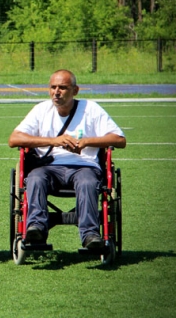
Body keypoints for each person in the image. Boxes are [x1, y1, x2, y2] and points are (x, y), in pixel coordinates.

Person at [8, 69, 126, 249]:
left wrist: (87, 142)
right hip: (49, 166)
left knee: (87, 182)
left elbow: (119, 140)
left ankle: (90, 235)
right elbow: (14, 139)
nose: (56, 92)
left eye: (62, 88)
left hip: (84, 166)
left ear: (75, 90)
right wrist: (52, 141)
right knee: (35, 178)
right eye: (53, 87)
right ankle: (36, 228)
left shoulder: (91, 109)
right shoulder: (41, 110)